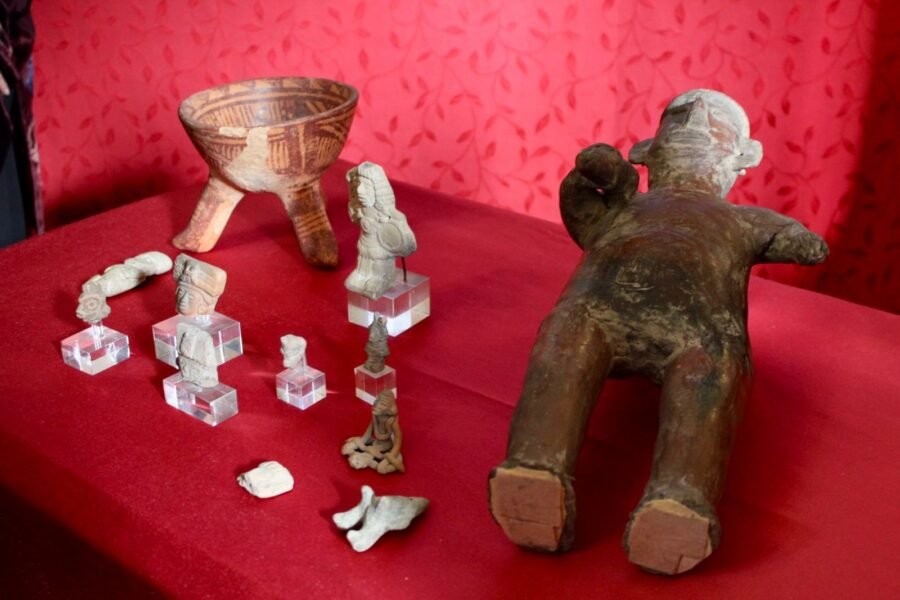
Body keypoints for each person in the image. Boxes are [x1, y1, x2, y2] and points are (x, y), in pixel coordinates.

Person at [489, 89, 828, 575]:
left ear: (745, 158)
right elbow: (582, 206)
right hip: (597, 309)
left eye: (712, 134)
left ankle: (679, 500)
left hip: (696, 329)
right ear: (646, 152)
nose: (694, 134)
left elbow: (794, 241)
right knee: (563, 342)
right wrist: (594, 175)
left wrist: (798, 240)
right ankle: (535, 466)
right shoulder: (625, 205)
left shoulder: (742, 220)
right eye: (679, 130)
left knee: (708, 372)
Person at [342, 390, 405, 475]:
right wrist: (360, 442)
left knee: (381, 469)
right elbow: (366, 435)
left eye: (383, 404)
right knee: (346, 448)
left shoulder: (391, 422)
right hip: (375, 444)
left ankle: (366, 458)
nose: (377, 405)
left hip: (386, 446)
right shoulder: (376, 416)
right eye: (377, 400)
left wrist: (391, 456)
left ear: (389, 408)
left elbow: (397, 442)